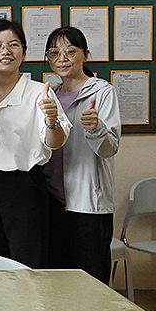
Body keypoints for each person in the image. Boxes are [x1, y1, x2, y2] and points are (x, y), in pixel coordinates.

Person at [0, 19, 71, 268]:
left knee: (27, 263)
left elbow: (55, 143)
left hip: (24, 187)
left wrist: (52, 119)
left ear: (24, 52)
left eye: (13, 45)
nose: (5, 51)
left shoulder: (39, 93)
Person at [43, 26, 121, 283]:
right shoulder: (50, 95)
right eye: (54, 52)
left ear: (85, 54)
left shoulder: (101, 92)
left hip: (87, 202)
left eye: (70, 51)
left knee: (91, 280)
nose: (62, 58)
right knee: (58, 279)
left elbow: (110, 147)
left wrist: (96, 128)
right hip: (52, 199)